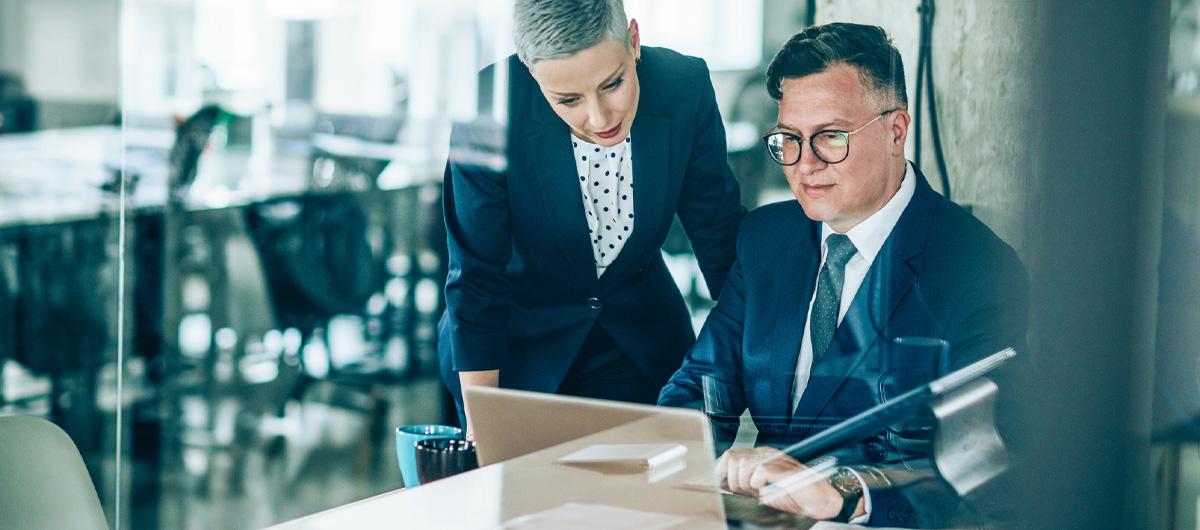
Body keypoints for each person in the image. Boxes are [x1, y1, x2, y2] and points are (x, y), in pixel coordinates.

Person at [658, 23, 1029, 527]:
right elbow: (704, 385)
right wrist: (676, 457)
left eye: (830, 137)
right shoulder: (767, 239)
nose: (804, 164)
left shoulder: (977, 269)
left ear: (896, 130)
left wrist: (846, 492)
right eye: (789, 138)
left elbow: (988, 474)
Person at [440, 0, 745, 438]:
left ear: (634, 41)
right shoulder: (488, 105)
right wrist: (483, 423)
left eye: (613, 83)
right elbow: (475, 274)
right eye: (568, 99)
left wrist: (762, 366)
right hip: (516, 348)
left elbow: (720, 237)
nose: (600, 118)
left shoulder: (684, 87)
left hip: (640, 341)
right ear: (531, 71)